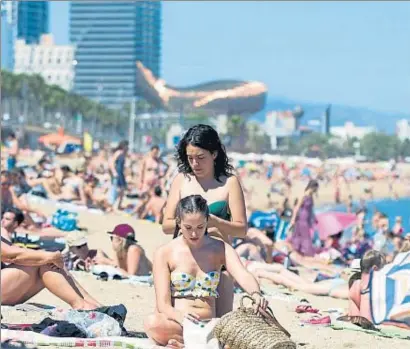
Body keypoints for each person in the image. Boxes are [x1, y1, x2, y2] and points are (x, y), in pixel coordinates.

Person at [144, 195, 268, 348]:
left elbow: (242, 274)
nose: (194, 234)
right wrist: (180, 316)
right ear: (178, 222)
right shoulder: (165, 252)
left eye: (200, 227)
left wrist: (255, 293)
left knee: (228, 283)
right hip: (180, 324)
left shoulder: (220, 248)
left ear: (207, 221)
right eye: (188, 228)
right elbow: (163, 304)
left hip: (211, 325)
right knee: (153, 323)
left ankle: (187, 343)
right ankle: (197, 342)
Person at [162, 124, 247, 317]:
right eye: (190, 158)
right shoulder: (182, 180)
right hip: (183, 262)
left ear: (214, 154)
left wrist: (216, 223)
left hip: (218, 264)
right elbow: (166, 225)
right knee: (178, 321)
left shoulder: (229, 183)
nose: (195, 164)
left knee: (220, 325)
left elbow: (241, 230)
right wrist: (190, 224)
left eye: (201, 158)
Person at [1, 207, 101, 309]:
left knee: (49, 261)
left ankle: (92, 304)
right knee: (45, 261)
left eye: (7, 219)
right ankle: (82, 305)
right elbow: (11, 255)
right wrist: (48, 256)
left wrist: (47, 255)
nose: (3, 221)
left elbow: (14, 250)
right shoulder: (3, 232)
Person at [348, 250, 386, 321]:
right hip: (375, 322)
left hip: (362, 321)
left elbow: (354, 317)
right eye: (383, 267)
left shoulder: (356, 285)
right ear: (375, 268)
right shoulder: (377, 285)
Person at [288, 179, 319, 257]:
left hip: (307, 218)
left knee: (304, 234)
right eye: (316, 188)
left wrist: (314, 218)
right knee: (303, 235)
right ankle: (305, 252)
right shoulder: (303, 196)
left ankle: (301, 251)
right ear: (312, 187)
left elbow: (311, 209)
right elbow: (296, 208)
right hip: (301, 218)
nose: (316, 190)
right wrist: (292, 220)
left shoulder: (311, 197)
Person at [109, 140, 128, 210]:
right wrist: (114, 172)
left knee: (122, 190)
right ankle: (111, 206)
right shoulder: (118, 153)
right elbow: (111, 163)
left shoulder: (123, 154)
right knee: (116, 190)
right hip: (117, 173)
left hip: (121, 173)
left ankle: (118, 205)